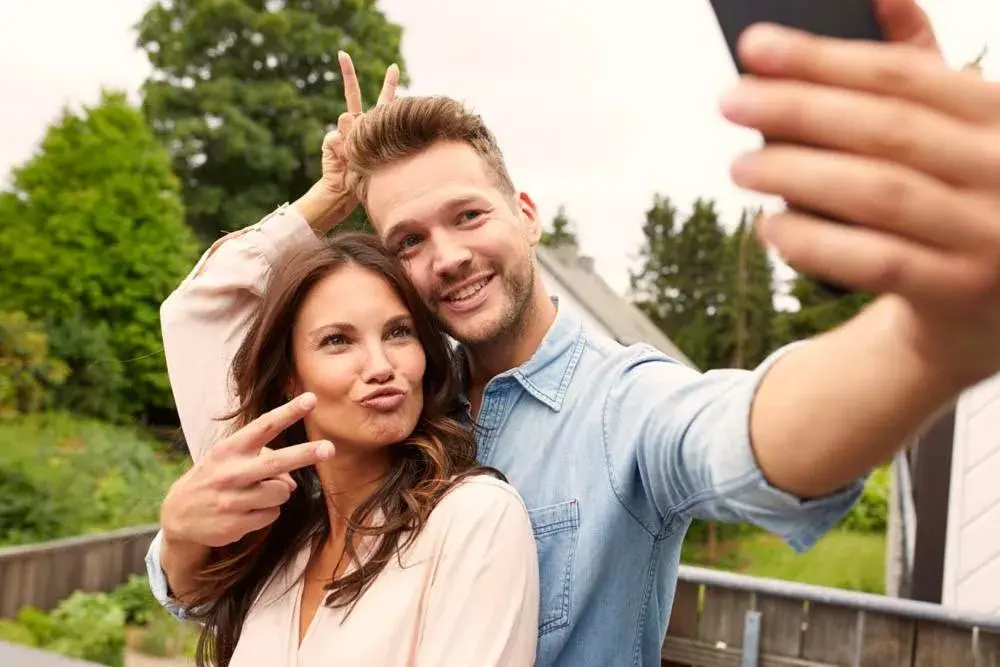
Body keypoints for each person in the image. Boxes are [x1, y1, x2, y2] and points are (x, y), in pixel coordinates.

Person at [147, 0, 1000, 664]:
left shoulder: (617, 403)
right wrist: (329, 199)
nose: (444, 257)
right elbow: (206, 316)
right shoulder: (390, 394)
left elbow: (743, 437)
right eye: (407, 239)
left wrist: (927, 339)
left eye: (468, 215)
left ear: (526, 215)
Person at [155, 232, 539, 667]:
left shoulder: (474, 517)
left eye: (398, 333)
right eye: (338, 340)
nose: (381, 367)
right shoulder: (281, 542)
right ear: (289, 377)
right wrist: (177, 534)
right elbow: (194, 309)